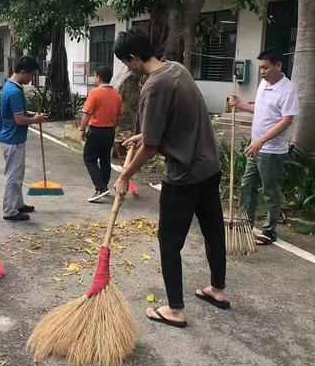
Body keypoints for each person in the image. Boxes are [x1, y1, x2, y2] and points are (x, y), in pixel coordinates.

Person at [113, 29, 229, 328]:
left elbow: (151, 148)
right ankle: (217, 289)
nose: (128, 69)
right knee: (213, 230)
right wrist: (143, 133)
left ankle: (175, 310)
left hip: (184, 175)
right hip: (209, 167)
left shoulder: (153, 86)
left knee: (169, 241)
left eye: (127, 64)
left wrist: (125, 175)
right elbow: (177, 118)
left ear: (134, 58)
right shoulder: (178, 69)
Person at [230, 48, 299, 245]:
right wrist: (242, 104)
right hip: (255, 147)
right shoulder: (263, 84)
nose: (262, 71)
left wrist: (262, 140)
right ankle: (245, 223)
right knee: (247, 185)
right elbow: (260, 109)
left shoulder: (288, 89)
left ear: (278, 66)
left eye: (265, 67)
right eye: (260, 67)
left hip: (271, 151)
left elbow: (286, 120)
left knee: (270, 191)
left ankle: (269, 231)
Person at [0, 56, 47, 221]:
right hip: (13, 139)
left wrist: (33, 114)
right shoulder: (14, 91)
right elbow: (19, 120)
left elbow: (18, 113)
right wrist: (35, 120)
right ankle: (9, 211)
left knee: (17, 174)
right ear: (23, 72)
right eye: (31, 75)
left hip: (12, 137)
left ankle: (18, 204)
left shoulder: (11, 86)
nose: (31, 79)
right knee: (13, 176)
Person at [79, 65, 123, 202]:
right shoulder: (117, 95)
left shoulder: (95, 93)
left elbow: (87, 114)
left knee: (89, 159)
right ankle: (104, 185)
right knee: (105, 160)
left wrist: (82, 129)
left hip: (96, 130)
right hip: (110, 131)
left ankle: (101, 188)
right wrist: (113, 129)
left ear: (98, 77)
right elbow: (119, 116)